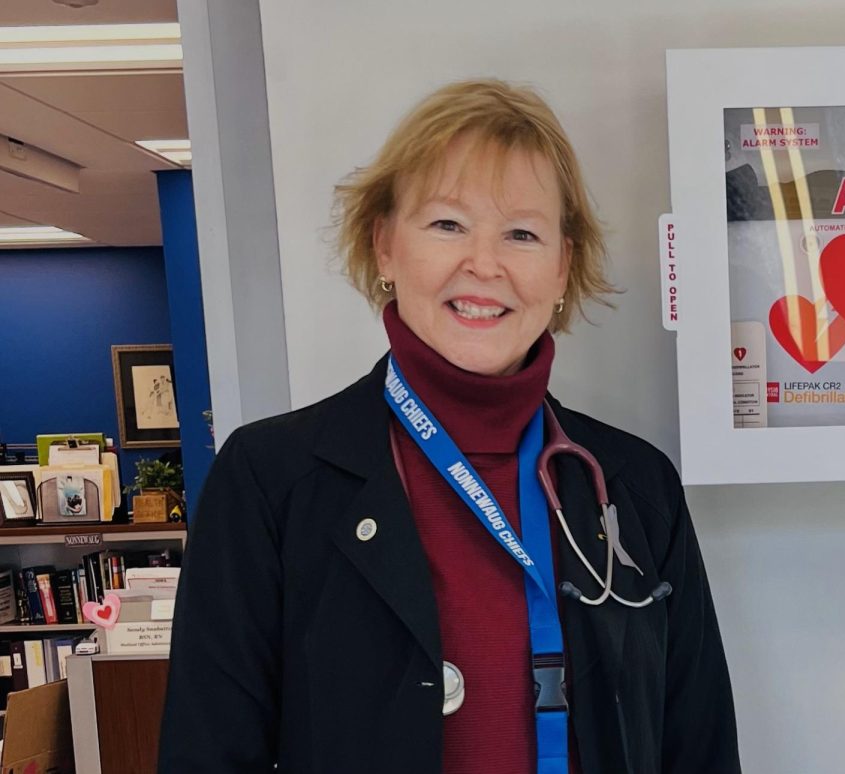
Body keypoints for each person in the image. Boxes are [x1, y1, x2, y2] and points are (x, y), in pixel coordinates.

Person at [158, 79, 740, 773]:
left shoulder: (634, 485)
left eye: (522, 234)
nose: (484, 264)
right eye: (447, 225)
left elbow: (697, 746)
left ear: (562, 268)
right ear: (383, 246)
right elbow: (209, 752)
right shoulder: (269, 481)